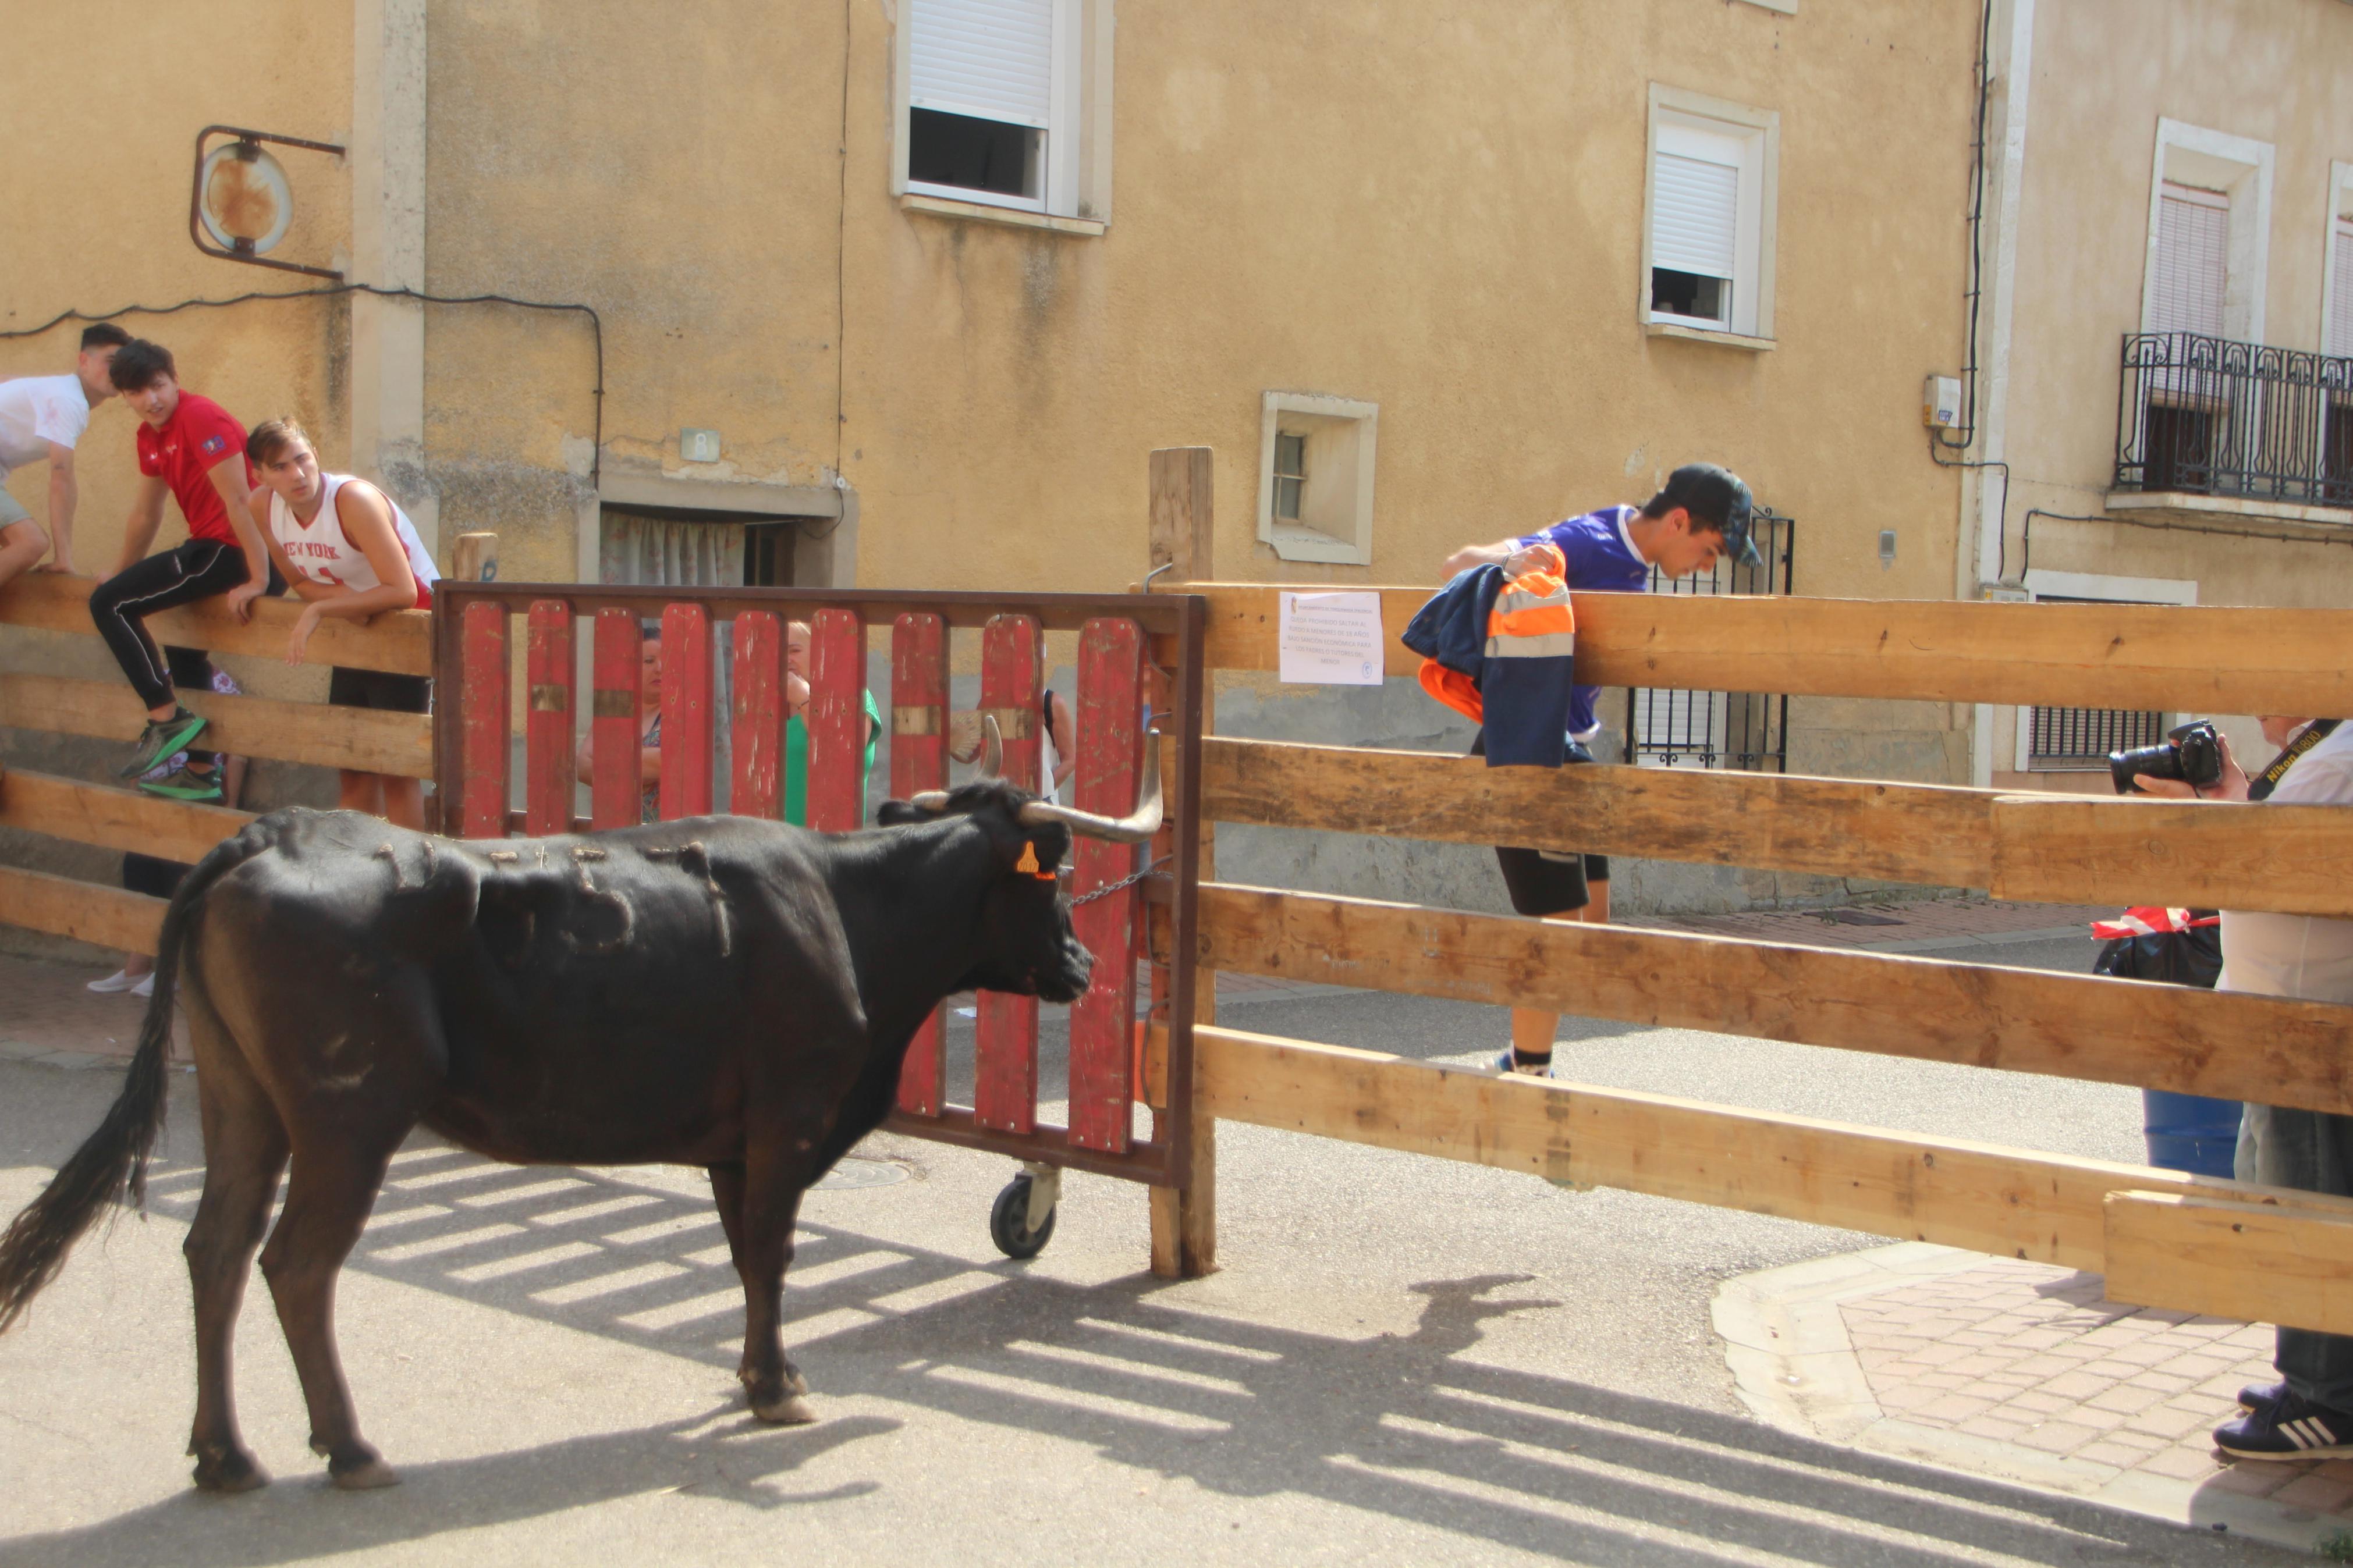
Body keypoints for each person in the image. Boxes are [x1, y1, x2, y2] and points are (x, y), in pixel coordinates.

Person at [1439, 461, 1761, 1079]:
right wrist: (1511, 565)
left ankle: (1525, 1054)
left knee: (1593, 926)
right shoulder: (1590, 541)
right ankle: (1528, 1069)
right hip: (1528, 750)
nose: (1707, 566)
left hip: (1572, 749)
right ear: (1678, 521)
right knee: (1559, 925)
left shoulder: (1629, 552)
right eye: (1710, 549)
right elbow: (1459, 563)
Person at [2132, 714, 2353, 1460]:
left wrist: (2202, 824)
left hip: (2306, 1025)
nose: (2257, 707)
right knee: (2286, 1191)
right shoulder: (2325, 751)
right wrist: (2232, 794)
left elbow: (2268, 865)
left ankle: (2325, 1402)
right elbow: (2272, 838)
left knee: (2305, 1205)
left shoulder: (2337, 760)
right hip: (2290, 1012)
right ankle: (2317, 1381)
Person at [87, 340, 277, 803]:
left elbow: (240, 501)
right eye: (136, 393)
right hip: (210, 545)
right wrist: (119, 569)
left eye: (157, 386)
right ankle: (199, 769)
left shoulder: (200, 416)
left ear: (174, 379)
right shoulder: (150, 436)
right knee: (180, 637)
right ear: (125, 398)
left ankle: (163, 714)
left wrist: (259, 577)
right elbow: (146, 515)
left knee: (106, 604)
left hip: (233, 548)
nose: (150, 400)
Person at [244, 419, 437, 830]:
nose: (296, 474)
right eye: (279, 467)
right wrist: (346, 605)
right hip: (358, 627)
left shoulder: (352, 500)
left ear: (315, 455)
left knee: (397, 770)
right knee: (351, 763)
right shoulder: (262, 506)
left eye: (301, 459)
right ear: (259, 476)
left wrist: (320, 610)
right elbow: (298, 581)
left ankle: (416, 879)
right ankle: (355, 867)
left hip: (412, 630)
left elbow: (403, 590)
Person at [88, 664, 250, 998]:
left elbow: (238, 750)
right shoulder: (158, 676)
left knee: (178, 876)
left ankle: (172, 968)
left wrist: (230, 803)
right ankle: (136, 966)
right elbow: (149, 734)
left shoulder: (218, 684)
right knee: (139, 873)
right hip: (154, 793)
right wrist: (138, 784)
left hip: (195, 796)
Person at [0, 323, 127, 588]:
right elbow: (62, 476)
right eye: (111, 361)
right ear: (84, 361)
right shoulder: (69, 400)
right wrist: (64, 558)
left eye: (125, 364)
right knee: (30, 543)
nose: (118, 371)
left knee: (14, 549)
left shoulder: (61, 393)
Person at [781, 618, 882, 825]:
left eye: (794, 651)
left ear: (820, 651)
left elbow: (841, 756)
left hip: (832, 843)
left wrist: (803, 698)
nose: (785, 659)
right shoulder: (768, 705)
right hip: (771, 843)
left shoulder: (855, 696)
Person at [574, 620, 665, 822]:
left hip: (664, 837)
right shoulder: (614, 713)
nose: (660, 668)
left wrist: (607, 760)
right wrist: (645, 764)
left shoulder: (678, 714)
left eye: (666, 660)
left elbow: (668, 763)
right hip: (615, 832)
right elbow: (584, 767)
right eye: (649, 661)